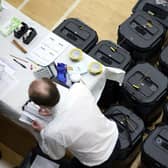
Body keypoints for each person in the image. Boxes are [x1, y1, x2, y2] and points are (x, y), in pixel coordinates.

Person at [28, 78, 120, 168]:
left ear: (41, 106)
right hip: (114, 138)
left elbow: (57, 155)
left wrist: (42, 132)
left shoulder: (52, 132)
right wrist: (52, 111)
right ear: (55, 85)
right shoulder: (79, 88)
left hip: (96, 161)